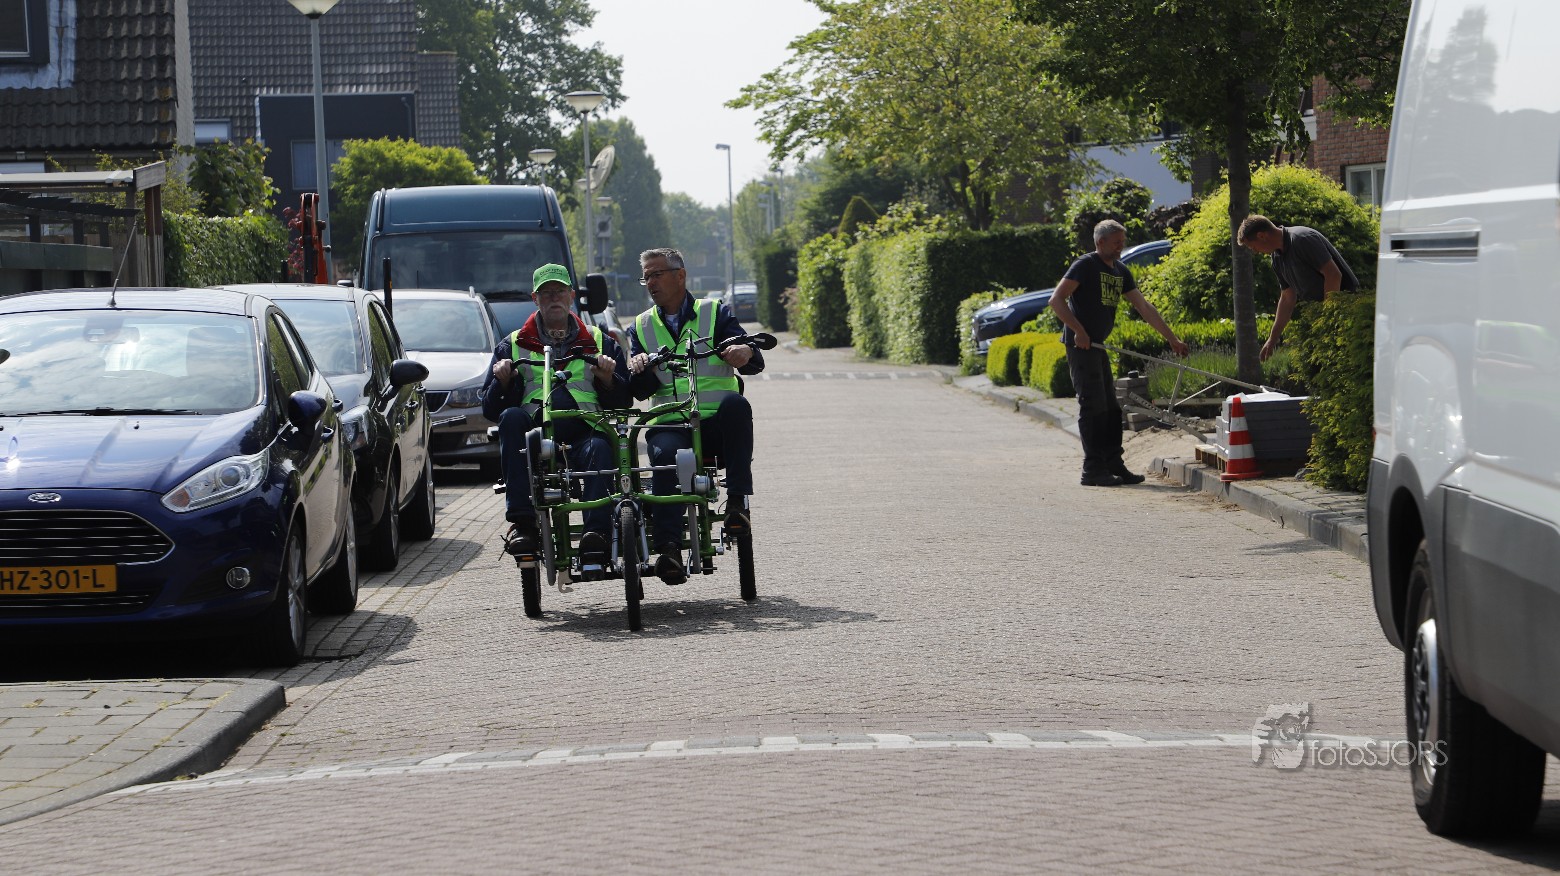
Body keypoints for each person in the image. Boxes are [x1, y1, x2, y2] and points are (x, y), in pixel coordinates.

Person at [627, 247, 763, 585]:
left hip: (714, 425)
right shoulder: (641, 326)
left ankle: (736, 505)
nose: (650, 283)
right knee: (664, 458)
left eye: (657, 274)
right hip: (670, 424)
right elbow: (640, 391)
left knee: (738, 405)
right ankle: (669, 548)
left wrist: (744, 351)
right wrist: (638, 367)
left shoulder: (714, 312)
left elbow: (754, 359)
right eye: (646, 277)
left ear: (680, 275)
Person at [481, 263, 630, 559]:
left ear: (571, 296)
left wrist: (608, 380)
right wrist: (503, 382)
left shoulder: (600, 341)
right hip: (536, 435)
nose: (553, 298)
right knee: (510, 418)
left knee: (601, 447)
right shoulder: (511, 345)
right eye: (546, 293)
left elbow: (625, 401)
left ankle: (597, 533)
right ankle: (523, 525)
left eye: (559, 291)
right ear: (535, 299)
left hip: (586, 430)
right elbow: (489, 408)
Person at [1049, 220, 1190, 487]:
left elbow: (1144, 307)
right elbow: (1056, 300)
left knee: (1111, 408)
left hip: (1098, 346)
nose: (1120, 247)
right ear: (1100, 242)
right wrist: (1078, 331)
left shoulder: (1120, 271)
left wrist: (1172, 339)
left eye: (1122, 242)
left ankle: (1113, 463)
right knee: (1092, 406)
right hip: (1081, 347)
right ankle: (1092, 469)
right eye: (1116, 243)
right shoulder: (1085, 265)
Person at [1237, 215, 1359, 361]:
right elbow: (1287, 298)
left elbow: (1333, 275)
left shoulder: (1302, 239)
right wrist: (1272, 339)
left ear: (1262, 236)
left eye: (1253, 247)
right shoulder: (1276, 258)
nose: (1255, 251)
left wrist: (1327, 318)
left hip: (1347, 312)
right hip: (1323, 319)